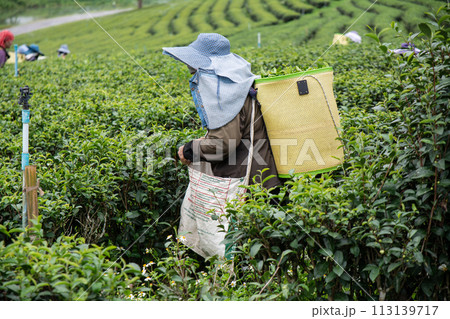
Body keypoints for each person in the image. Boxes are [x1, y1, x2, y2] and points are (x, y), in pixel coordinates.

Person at [162, 33, 281, 190]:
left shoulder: (226, 94)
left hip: (248, 187)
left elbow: (222, 144)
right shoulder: (240, 85)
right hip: (264, 179)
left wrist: (189, 150)